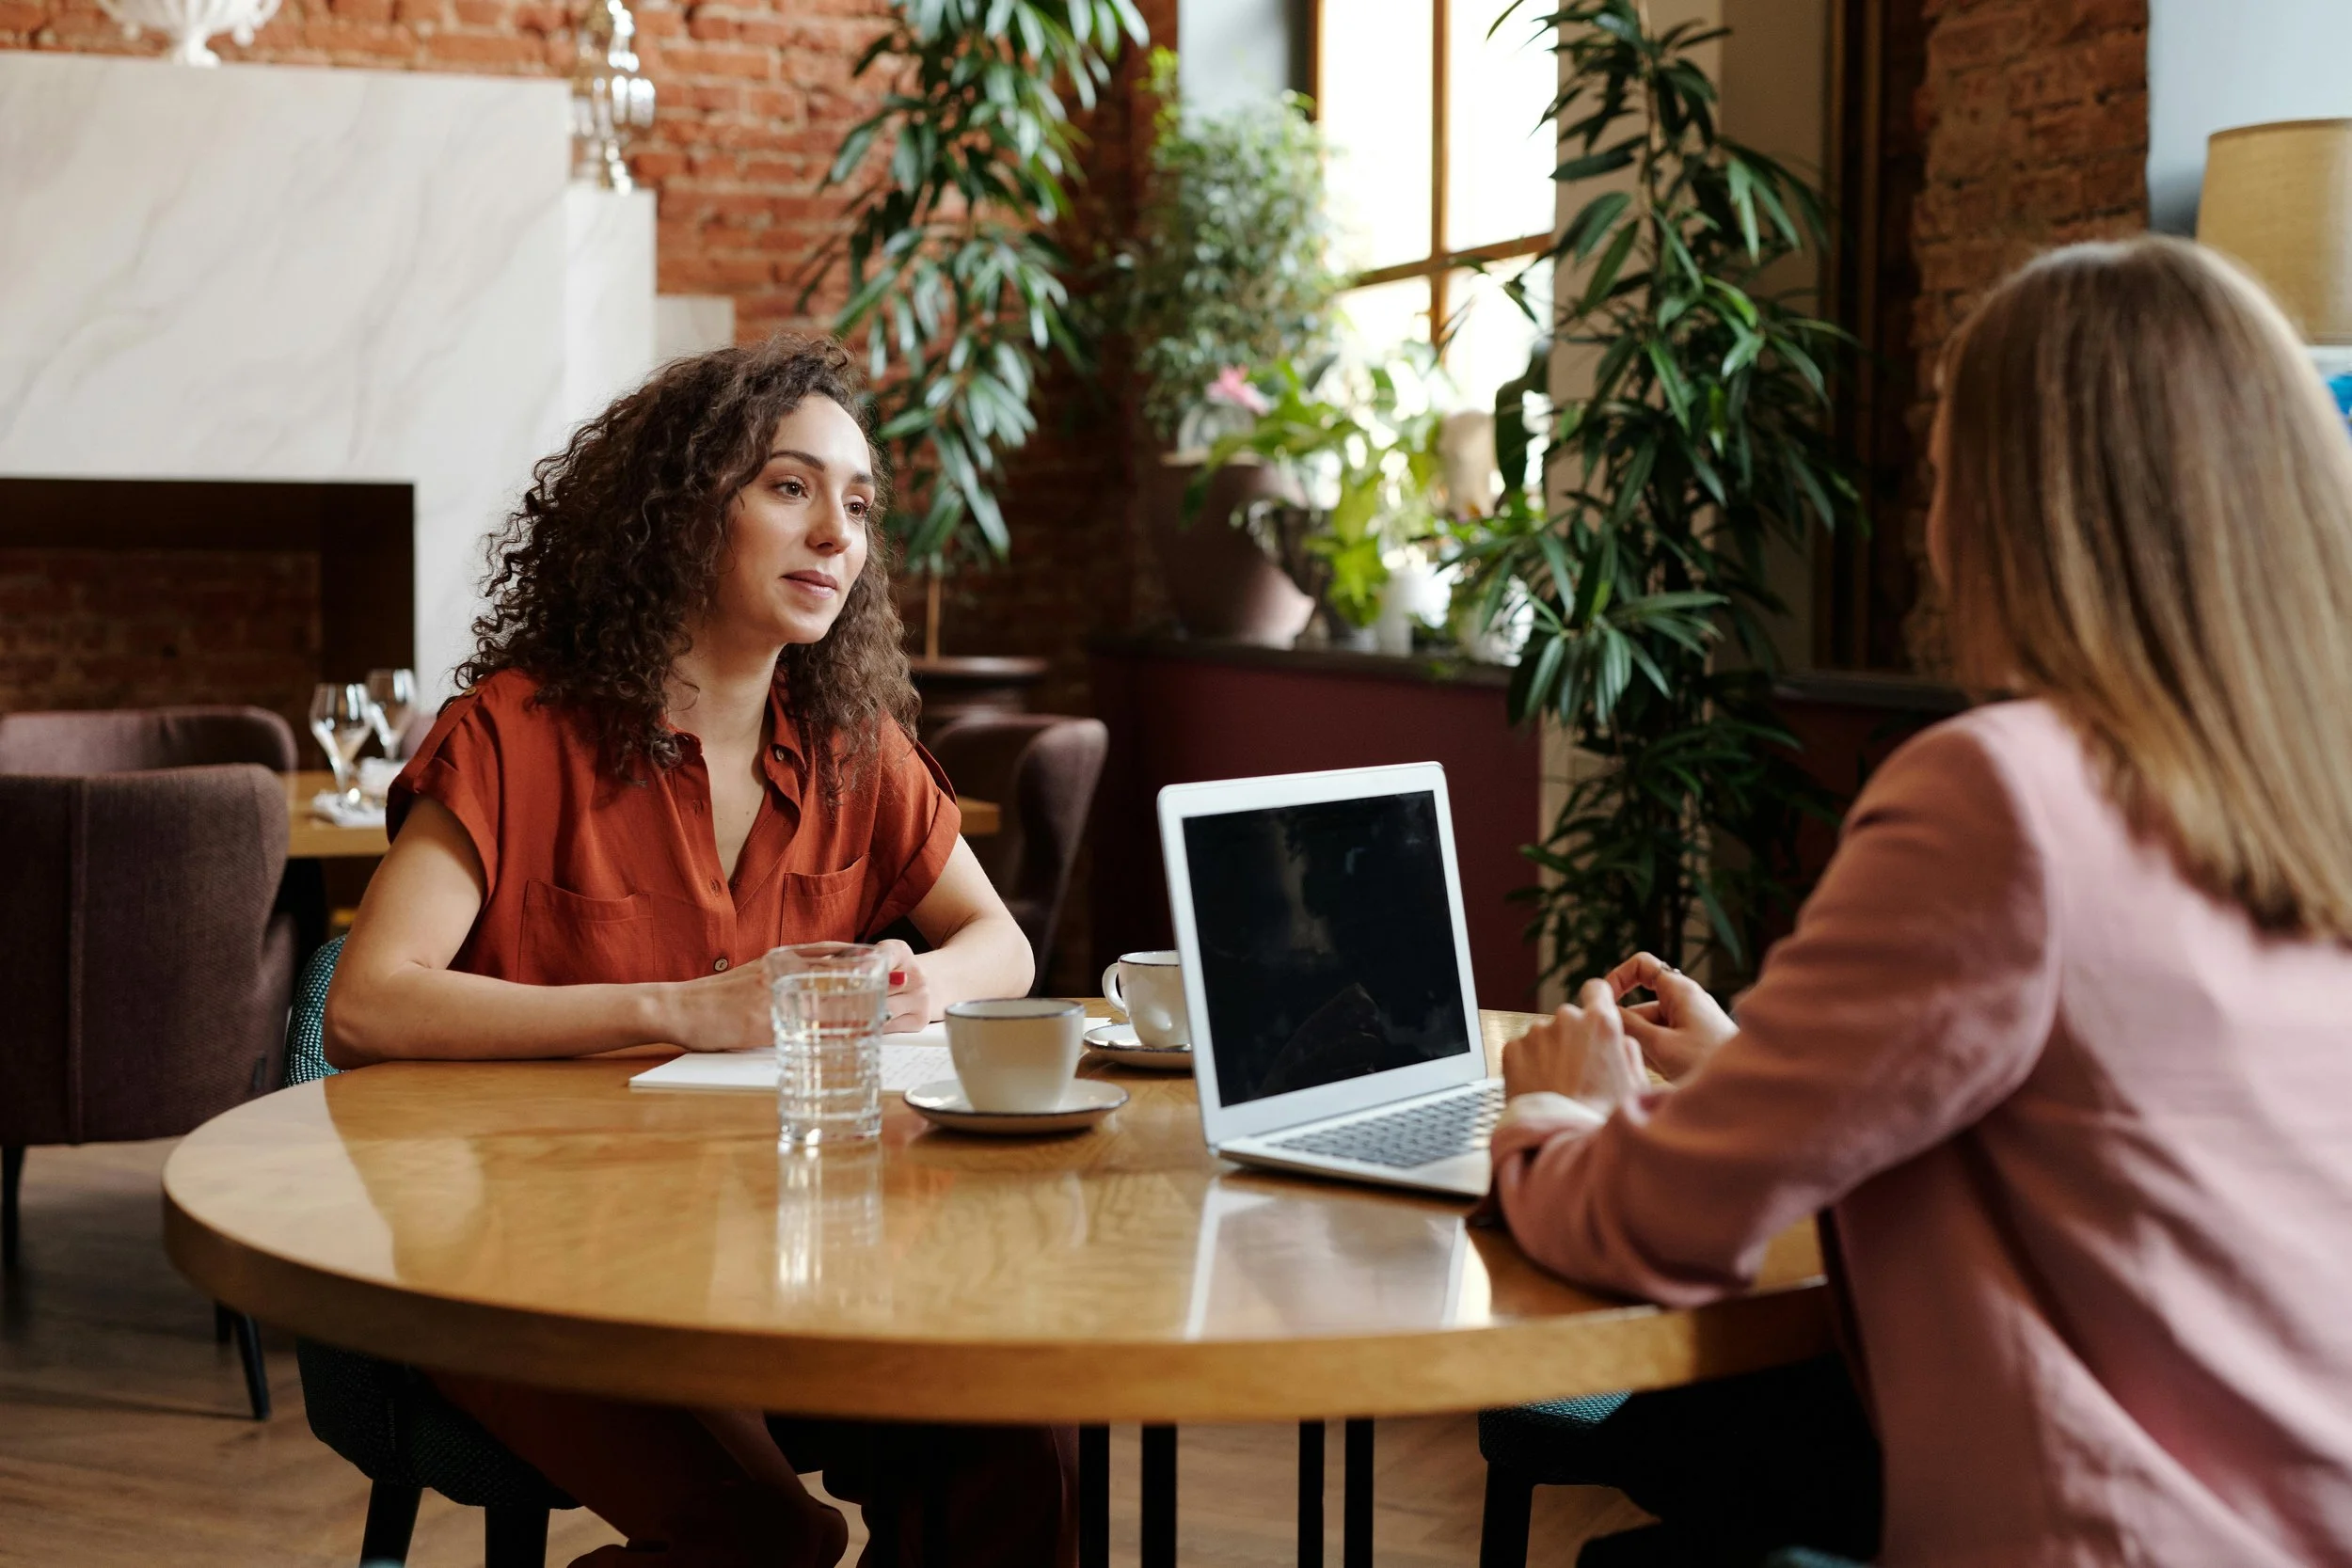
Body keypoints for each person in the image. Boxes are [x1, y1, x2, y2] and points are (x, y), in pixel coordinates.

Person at [1493, 235, 2352, 1566]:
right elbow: (2116, 1133)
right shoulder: (2304, 797)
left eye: (1947, 477)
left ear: (2023, 516)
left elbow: (1667, 1221)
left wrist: (1557, 1120)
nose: (1936, 528)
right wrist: (1761, 1073)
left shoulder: (2003, 794)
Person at [325, 336, 1063, 1568]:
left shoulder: (848, 744)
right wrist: (681, 1007)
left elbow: (1002, 944)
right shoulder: (516, 732)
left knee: (1022, 1443)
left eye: (860, 502)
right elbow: (368, 1005)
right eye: (790, 486)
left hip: (788, 1246)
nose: (838, 532)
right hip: (518, 1259)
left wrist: (917, 981)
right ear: (673, 514)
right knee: (763, 1536)